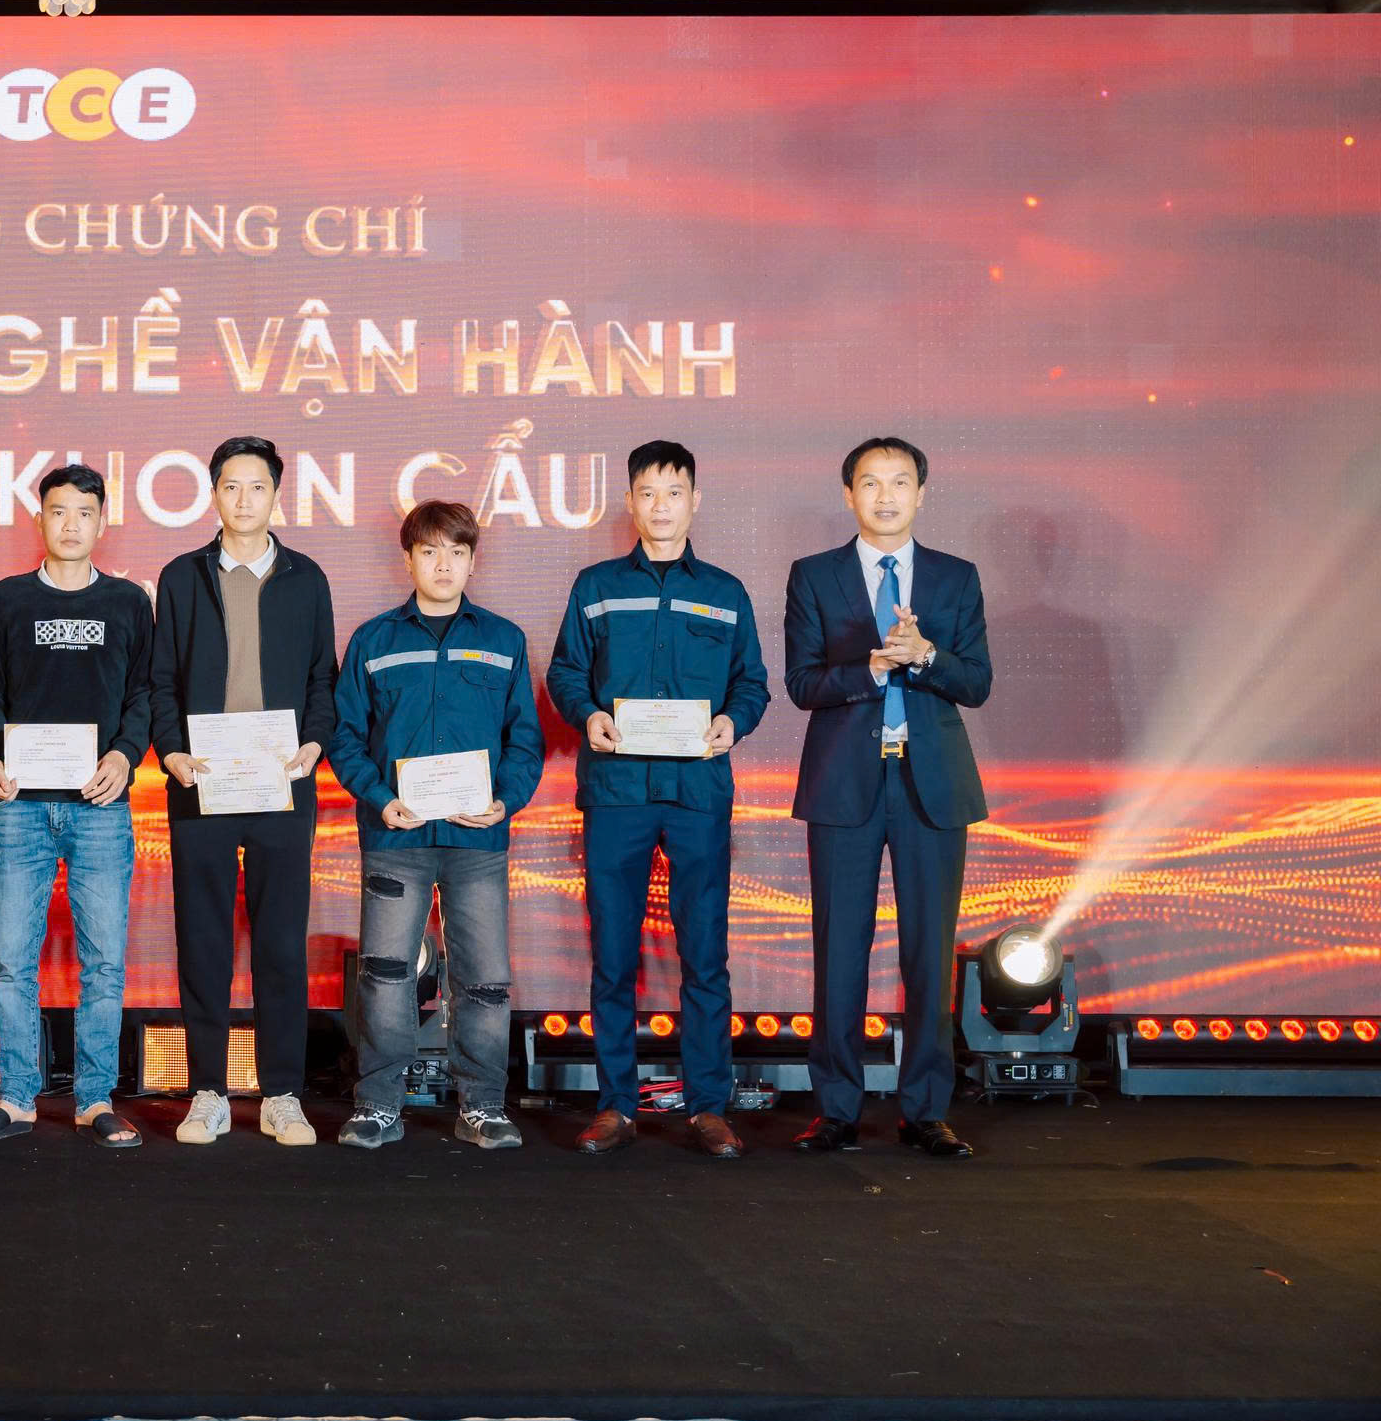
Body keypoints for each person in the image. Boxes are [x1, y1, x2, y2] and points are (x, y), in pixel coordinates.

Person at [545, 442, 769, 1159]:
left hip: (698, 792)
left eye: (674, 492)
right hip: (618, 790)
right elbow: (566, 671)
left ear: (694, 501)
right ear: (631, 503)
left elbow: (752, 682)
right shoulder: (597, 586)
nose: (661, 505)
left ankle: (708, 1107)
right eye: (648, 492)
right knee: (613, 955)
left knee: (705, 955)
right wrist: (588, 714)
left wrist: (734, 721)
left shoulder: (727, 592)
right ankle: (616, 1105)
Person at [783, 436, 992, 1159]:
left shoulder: (955, 577)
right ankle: (836, 1109)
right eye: (870, 482)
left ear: (921, 493)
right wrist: (870, 669)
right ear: (849, 494)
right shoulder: (814, 575)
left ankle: (926, 1110)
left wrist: (925, 655)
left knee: (929, 955)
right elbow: (802, 684)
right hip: (845, 783)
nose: (885, 495)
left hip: (931, 786)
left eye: (900, 482)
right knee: (839, 951)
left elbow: (977, 683)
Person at [329, 500, 544, 1149]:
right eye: (429, 551)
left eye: (456, 551)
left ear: (473, 560)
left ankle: (483, 1106)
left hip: (477, 838)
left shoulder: (504, 640)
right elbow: (344, 736)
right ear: (409, 559)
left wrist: (505, 801)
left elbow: (525, 739)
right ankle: (378, 1105)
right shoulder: (373, 641)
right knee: (384, 974)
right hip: (396, 835)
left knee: (483, 979)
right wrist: (378, 797)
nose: (443, 564)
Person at [149, 435, 334, 1147]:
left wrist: (314, 742)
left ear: (276, 495)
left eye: (257, 486)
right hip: (201, 781)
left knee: (281, 942)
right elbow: (161, 679)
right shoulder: (181, 576)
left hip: (283, 783)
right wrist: (171, 751)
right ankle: (209, 1093)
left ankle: (282, 1093)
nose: (244, 499)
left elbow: (322, 678)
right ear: (214, 494)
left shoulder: (306, 577)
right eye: (231, 486)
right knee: (203, 940)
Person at [0, 464, 155, 1147]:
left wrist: (125, 756)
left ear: (102, 522)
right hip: (20, 807)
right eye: (58, 511)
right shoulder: (8, 600)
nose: (70, 524)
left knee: (104, 964)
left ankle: (94, 1097)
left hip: (100, 806)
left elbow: (143, 695)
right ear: (39, 518)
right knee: (13, 963)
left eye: (84, 512)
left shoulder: (129, 602)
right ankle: (16, 1096)